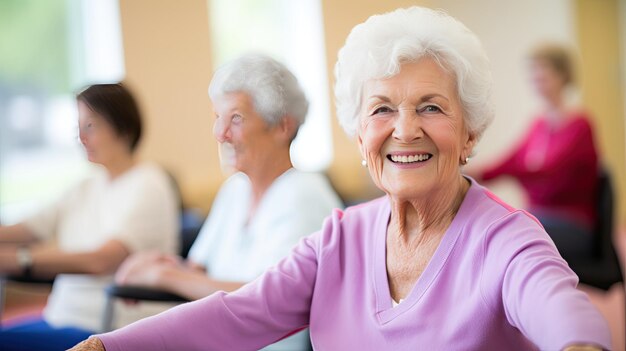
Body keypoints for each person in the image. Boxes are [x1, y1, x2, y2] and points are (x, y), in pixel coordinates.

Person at [70, 7, 610, 351]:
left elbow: (559, 310)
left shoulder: (506, 239)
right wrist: (105, 346)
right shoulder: (337, 239)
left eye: (430, 107)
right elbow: (238, 314)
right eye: (381, 110)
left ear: (470, 134)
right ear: (359, 136)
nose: (404, 131)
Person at [110, 54, 342, 351]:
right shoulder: (235, 191)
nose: (219, 134)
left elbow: (265, 301)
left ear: (283, 127)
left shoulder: (305, 195)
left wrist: (166, 276)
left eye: (236, 118)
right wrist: (158, 264)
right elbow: (197, 270)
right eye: (217, 117)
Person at [0, 83, 179, 351]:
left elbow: (101, 260)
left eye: (91, 127)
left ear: (123, 127)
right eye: (79, 129)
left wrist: (19, 259)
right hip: (61, 318)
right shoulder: (86, 187)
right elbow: (26, 228)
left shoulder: (149, 183)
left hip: (106, 329)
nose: (81, 138)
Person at [476, 43, 599, 263]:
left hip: (572, 222)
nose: (536, 80)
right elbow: (512, 159)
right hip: (539, 214)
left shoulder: (580, 125)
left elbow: (548, 171)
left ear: (562, 76)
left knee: (508, 236)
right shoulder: (538, 124)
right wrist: (476, 173)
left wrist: (490, 175)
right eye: (534, 74)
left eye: (543, 73)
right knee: (495, 229)